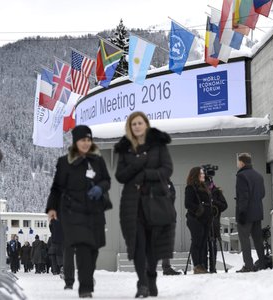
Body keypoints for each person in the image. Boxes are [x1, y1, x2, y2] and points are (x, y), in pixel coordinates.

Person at [114, 111, 175, 298]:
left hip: (155, 201)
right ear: (130, 127)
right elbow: (120, 175)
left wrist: (145, 175)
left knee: (153, 246)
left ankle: (151, 276)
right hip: (133, 204)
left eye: (140, 123)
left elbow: (167, 169)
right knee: (137, 245)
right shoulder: (125, 148)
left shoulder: (158, 144)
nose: (137, 126)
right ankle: (142, 283)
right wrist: (138, 164)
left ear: (146, 124)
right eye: (133, 124)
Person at [46, 125, 111, 298]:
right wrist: (52, 207)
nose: (86, 143)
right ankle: (85, 288)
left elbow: (107, 181)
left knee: (93, 249)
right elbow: (57, 188)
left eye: (89, 140)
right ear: (76, 142)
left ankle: (87, 278)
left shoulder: (98, 161)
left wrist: (100, 188)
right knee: (82, 247)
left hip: (95, 211)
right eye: (83, 140)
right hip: (73, 212)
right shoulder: (64, 162)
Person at [235, 153, 266, 273]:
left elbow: (243, 196)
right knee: (258, 239)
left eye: (238, 162)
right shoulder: (258, 176)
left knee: (244, 238)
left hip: (246, 212)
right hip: (257, 211)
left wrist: (242, 212)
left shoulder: (241, 176)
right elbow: (262, 194)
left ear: (242, 162)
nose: (237, 164)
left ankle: (248, 265)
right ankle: (262, 263)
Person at [185, 167, 213, 274]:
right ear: (196, 174)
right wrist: (199, 209)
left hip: (206, 219)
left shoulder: (204, 187)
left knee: (203, 243)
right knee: (197, 242)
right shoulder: (190, 188)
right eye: (201, 173)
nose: (203, 175)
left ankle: (201, 264)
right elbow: (187, 204)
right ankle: (197, 265)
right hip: (195, 219)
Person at [205, 176, 227, 273]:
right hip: (203, 222)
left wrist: (214, 202)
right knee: (203, 245)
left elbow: (224, 205)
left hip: (214, 221)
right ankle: (204, 266)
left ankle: (212, 267)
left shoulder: (217, 192)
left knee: (213, 244)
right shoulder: (201, 191)